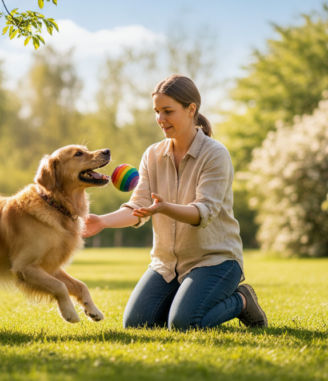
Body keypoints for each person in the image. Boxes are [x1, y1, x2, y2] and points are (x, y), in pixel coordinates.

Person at [83, 75, 267, 331]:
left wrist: (165, 207)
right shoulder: (152, 155)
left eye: (168, 111)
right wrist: (102, 222)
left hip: (215, 260)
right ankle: (183, 301)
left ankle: (242, 300)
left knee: (184, 324)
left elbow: (204, 212)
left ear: (191, 109)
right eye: (157, 111)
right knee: (136, 324)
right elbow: (138, 206)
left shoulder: (215, 154)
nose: (160, 119)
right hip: (167, 265)